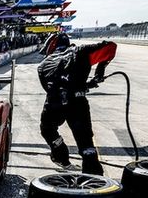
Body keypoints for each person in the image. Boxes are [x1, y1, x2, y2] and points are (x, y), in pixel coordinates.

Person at [36, 32, 117, 174]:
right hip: (78, 103)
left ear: (51, 46)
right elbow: (110, 47)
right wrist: (99, 72)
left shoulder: (42, 66)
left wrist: (80, 85)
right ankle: (95, 180)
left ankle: (61, 156)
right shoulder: (81, 52)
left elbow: (52, 88)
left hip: (54, 103)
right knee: (85, 142)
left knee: (47, 130)